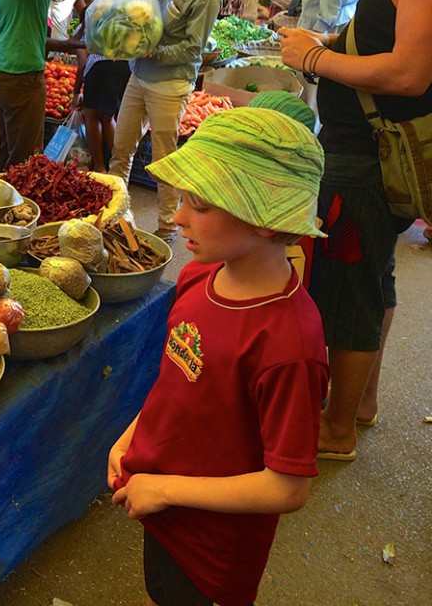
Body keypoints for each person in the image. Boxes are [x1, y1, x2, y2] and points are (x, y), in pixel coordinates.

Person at [109, 107, 329, 606]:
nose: (179, 215)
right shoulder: (198, 278)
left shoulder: (288, 345)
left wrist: (167, 491)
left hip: (214, 548)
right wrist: (131, 437)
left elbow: (288, 487)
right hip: (160, 504)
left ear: (268, 222)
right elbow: (178, 384)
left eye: (201, 205)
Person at [278, 0, 432, 460]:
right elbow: (385, 44)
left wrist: (316, 57)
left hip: (366, 154)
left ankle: (335, 431)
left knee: (348, 291)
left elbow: (409, 73)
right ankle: (358, 404)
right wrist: (332, 40)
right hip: (364, 148)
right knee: (374, 276)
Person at [108, 0, 225, 242]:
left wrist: (153, 51)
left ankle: (166, 226)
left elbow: (193, 49)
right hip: (139, 74)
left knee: (163, 161)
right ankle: (116, 214)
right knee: (122, 149)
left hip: (170, 85)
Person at [0, 0, 105, 169]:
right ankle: (16, 206)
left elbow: (17, 28)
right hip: (20, 73)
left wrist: (64, 45)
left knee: (1, 157)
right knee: (25, 164)